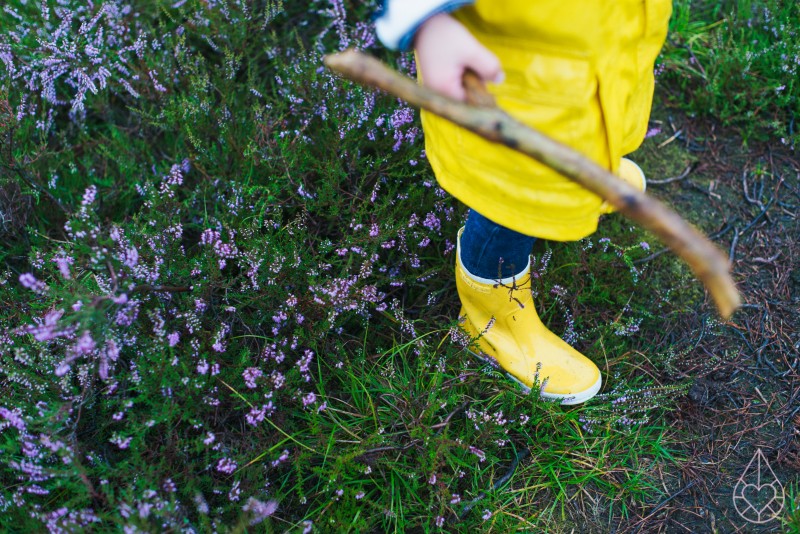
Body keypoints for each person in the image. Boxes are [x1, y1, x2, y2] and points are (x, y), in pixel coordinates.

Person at [375, 1, 672, 404]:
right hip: (515, 60)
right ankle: (491, 320)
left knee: (598, 106)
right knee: (514, 189)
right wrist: (427, 22)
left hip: (599, 30)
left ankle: (585, 171)